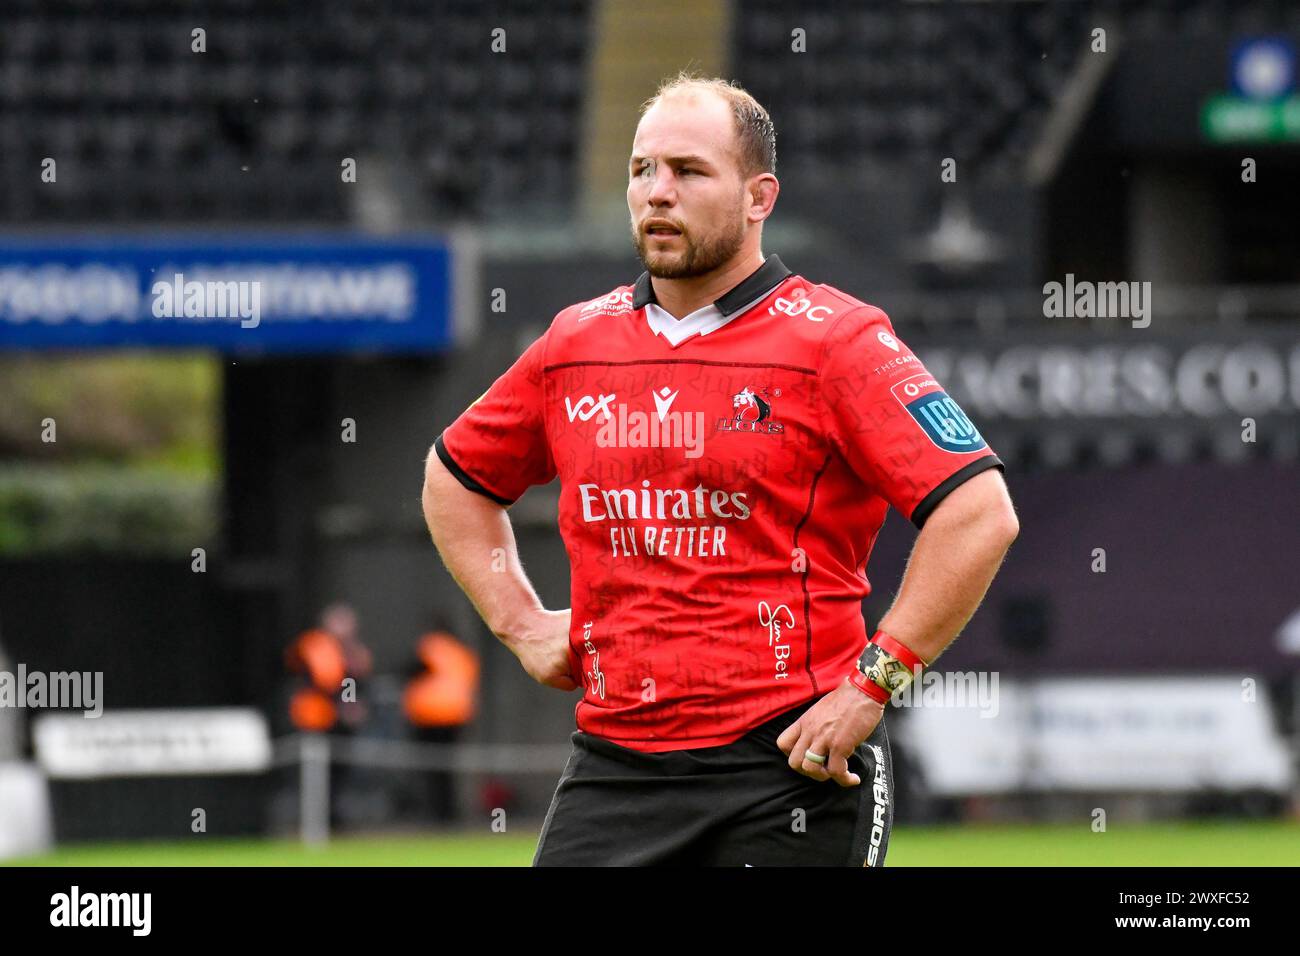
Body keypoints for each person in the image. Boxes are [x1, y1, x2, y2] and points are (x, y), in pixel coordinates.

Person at [422, 73, 1019, 866]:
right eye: (642, 170)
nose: (657, 193)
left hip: (789, 769)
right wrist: (521, 622)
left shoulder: (837, 341)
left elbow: (980, 512)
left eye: (689, 171)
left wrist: (875, 683)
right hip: (615, 771)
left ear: (758, 196)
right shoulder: (574, 342)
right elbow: (455, 478)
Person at [402, 623, 479, 823]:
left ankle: (434, 814)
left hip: (428, 717)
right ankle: (449, 813)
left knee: (430, 770)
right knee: (447, 770)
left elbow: (408, 670)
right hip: (456, 717)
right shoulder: (463, 653)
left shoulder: (431, 647)